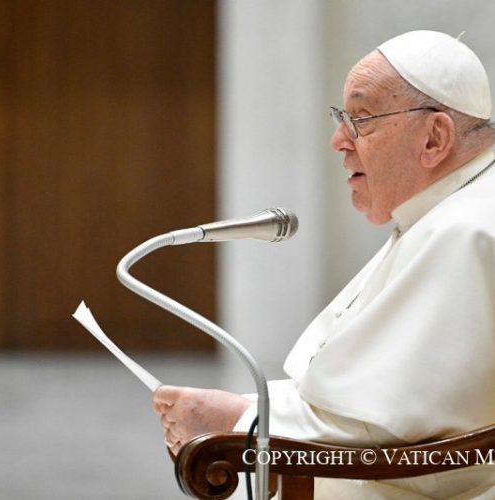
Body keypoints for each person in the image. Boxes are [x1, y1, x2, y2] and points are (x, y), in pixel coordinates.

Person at [154, 30, 495, 498]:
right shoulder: (452, 209)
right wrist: (246, 411)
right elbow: (375, 408)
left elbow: (394, 441)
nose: (338, 141)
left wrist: (237, 422)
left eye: (361, 119)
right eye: (342, 118)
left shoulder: (465, 232)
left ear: (434, 138)